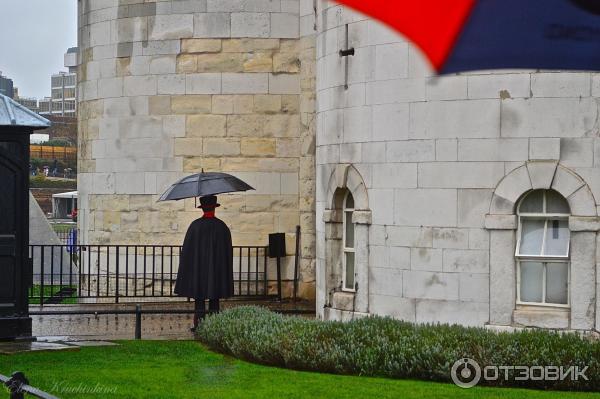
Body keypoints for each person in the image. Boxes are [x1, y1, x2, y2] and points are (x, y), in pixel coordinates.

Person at [174, 195, 234, 332]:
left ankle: (199, 325)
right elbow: (227, 252)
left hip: (199, 270)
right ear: (214, 207)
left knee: (199, 298)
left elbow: (187, 252)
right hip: (216, 271)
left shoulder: (194, 226)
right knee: (215, 299)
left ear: (202, 208)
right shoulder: (222, 227)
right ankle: (215, 326)